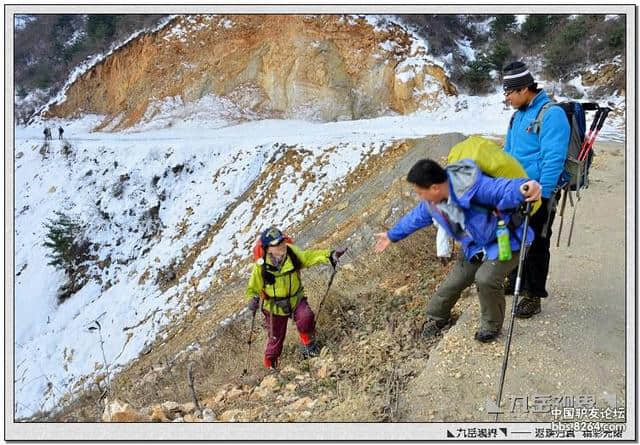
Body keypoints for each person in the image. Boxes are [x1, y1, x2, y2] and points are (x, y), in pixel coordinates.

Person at [374, 159, 540, 343]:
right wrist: (392, 235)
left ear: (435, 188)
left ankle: (491, 326)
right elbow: (415, 217)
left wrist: (524, 187)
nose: (420, 197)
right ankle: (437, 318)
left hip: (507, 239)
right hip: (476, 245)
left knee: (486, 279)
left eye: (421, 192)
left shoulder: (473, 185)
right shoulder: (433, 203)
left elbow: (502, 188)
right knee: (454, 281)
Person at [502, 61, 570, 318]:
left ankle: (533, 295)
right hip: (515, 189)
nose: (507, 98)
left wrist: (543, 191)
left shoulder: (551, 114)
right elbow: (508, 153)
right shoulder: (518, 115)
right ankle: (513, 278)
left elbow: (554, 159)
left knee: (537, 242)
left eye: (509, 92)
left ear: (522, 89)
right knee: (511, 235)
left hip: (540, 192)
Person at [245, 227, 346, 369]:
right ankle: (271, 367)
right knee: (275, 338)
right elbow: (252, 288)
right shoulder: (260, 267)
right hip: (274, 307)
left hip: (295, 299)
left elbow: (309, 257)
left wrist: (330, 255)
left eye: (281, 241)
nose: (281, 245)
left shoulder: (292, 253)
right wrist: (252, 298)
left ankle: (309, 348)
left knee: (306, 317)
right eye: (277, 244)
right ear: (268, 249)